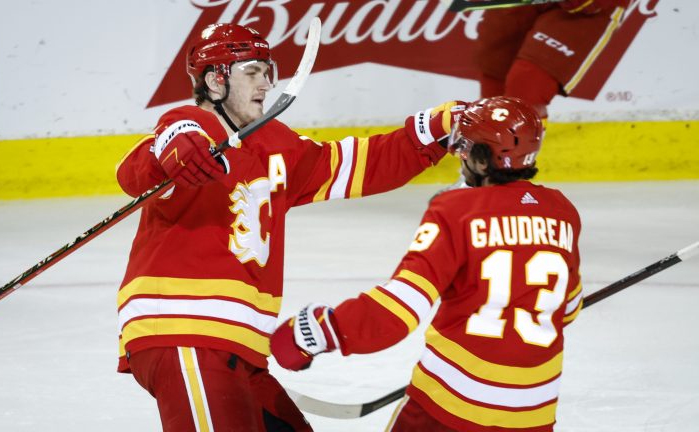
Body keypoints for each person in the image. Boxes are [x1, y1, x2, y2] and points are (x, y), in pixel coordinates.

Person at [115, 23, 465, 431]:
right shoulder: (193, 130)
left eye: (267, 71)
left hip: (241, 351)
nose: (265, 83)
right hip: (184, 333)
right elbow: (137, 168)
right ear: (215, 81)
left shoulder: (276, 146)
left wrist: (436, 129)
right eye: (252, 73)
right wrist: (176, 143)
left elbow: (366, 164)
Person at [272, 96, 583, 431]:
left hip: (449, 409)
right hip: (534, 414)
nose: (460, 157)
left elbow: (397, 311)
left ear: (481, 160)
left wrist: (317, 330)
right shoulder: (562, 210)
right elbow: (569, 307)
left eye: (464, 148)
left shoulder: (457, 211)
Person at [475, 0, 629, 119]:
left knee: (528, 84)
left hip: (583, 12)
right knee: (495, 72)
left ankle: (512, 157)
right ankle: (486, 155)